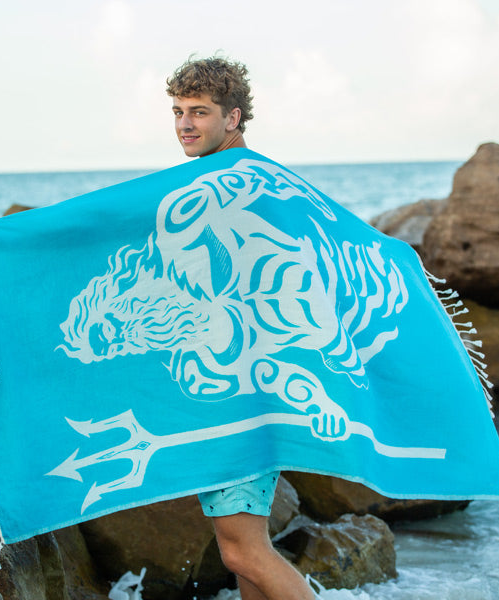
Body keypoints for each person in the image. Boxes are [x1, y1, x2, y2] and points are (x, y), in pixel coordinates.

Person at [165, 56, 317, 600]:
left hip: (245, 394)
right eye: (178, 111)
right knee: (244, 557)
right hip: (232, 385)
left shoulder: (240, 185)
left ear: (232, 118)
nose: (185, 124)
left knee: (242, 550)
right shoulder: (222, 181)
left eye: (199, 112)